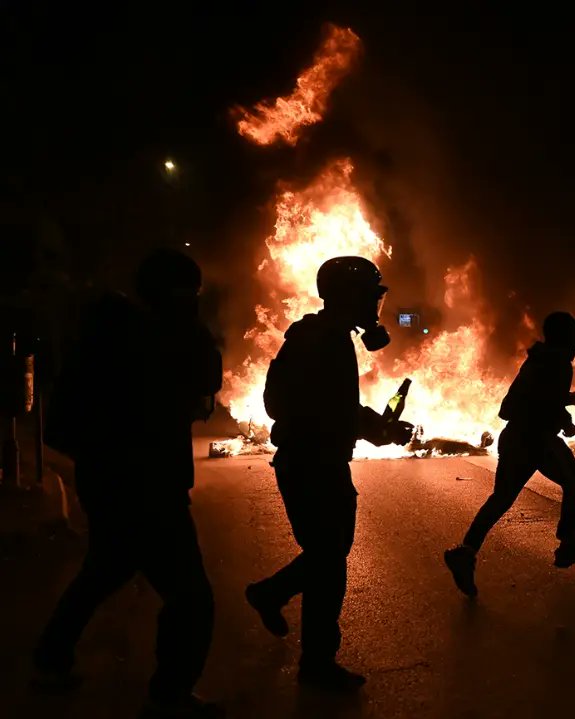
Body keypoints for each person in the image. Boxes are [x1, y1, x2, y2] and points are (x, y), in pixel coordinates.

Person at [34, 248, 223, 718]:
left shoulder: (107, 334)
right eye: (189, 293)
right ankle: (168, 697)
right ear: (175, 294)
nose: (193, 302)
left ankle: (49, 661)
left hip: (108, 482)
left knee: (105, 570)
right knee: (191, 598)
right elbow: (202, 380)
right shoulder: (156, 339)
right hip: (148, 487)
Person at [245, 256, 413, 691]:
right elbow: (298, 406)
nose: (376, 306)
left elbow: (336, 406)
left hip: (320, 462)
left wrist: (377, 427)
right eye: (371, 296)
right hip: (311, 465)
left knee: (328, 555)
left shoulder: (327, 337)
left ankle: (272, 596)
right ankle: (316, 662)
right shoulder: (321, 341)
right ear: (348, 296)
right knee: (329, 563)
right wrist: (374, 429)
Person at [444, 311, 575, 597]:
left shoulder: (538, 360)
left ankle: (466, 552)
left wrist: (564, 413)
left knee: (501, 499)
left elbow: (527, 401)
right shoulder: (558, 362)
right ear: (563, 337)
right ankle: (567, 547)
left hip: (516, 439)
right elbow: (536, 403)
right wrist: (568, 404)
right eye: (574, 336)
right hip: (535, 439)